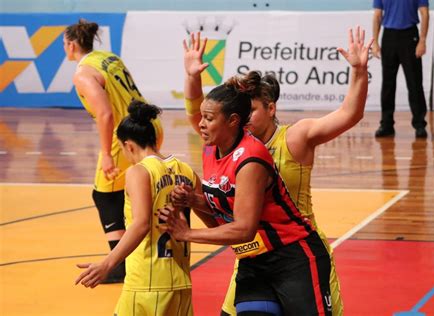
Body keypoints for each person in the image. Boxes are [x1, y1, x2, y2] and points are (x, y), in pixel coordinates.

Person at [181, 28, 373, 315]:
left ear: (271, 109)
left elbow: (349, 115)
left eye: (253, 110)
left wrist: (358, 71)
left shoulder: (294, 138)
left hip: (295, 248)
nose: (246, 118)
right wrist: (193, 76)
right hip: (251, 250)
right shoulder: (227, 144)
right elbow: (199, 113)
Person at [63, 19, 163, 283]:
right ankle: (142, 248)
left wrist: (106, 153)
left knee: (105, 196)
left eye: (64, 43)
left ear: (71, 44)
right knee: (135, 187)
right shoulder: (108, 58)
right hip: (152, 124)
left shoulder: (82, 74)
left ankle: (118, 264)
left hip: (127, 136)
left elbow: (106, 114)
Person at [75, 101, 195, 316]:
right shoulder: (184, 169)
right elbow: (212, 206)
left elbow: (141, 224)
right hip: (182, 283)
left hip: (146, 284)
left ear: (128, 145)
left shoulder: (139, 172)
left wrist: (107, 264)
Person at [372, 0, 429, 138]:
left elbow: (425, 13)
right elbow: (377, 15)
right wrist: (375, 42)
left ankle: (419, 124)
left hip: (410, 36)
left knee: (414, 83)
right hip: (389, 36)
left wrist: (422, 40)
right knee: (388, 84)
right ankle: (386, 124)